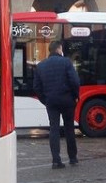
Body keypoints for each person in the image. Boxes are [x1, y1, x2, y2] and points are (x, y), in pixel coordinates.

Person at [33, 40, 81, 169]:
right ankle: (73, 158)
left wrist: (45, 99)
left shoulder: (41, 66)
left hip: (51, 101)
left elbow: (37, 87)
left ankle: (56, 160)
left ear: (50, 50)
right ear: (59, 49)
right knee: (69, 128)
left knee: (53, 129)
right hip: (67, 100)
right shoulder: (66, 62)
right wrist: (76, 96)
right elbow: (75, 81)